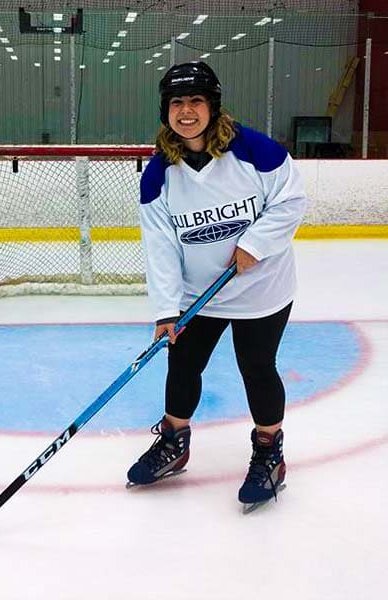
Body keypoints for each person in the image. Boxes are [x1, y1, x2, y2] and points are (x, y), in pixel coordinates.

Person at [128, 62, 307, 512]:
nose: (186, 111)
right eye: (176, 103)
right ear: (165, 111)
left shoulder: (253, 150)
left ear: (212, 106)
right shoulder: (159, 175)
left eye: (195, 101)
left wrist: (256, 244)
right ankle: (175, 443)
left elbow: (291, 200)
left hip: (260, 288)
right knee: (182, 366)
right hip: (198, 295)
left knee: (257, 367)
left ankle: (270, 451)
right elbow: (162, 248)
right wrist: (167, 311)